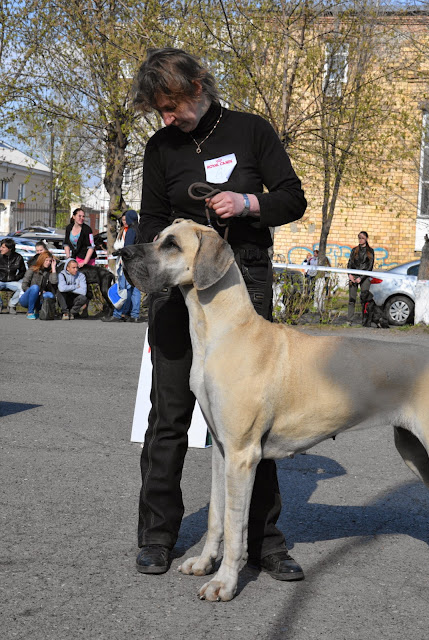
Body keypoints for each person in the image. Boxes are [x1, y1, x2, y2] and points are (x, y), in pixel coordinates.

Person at [130, 47, 307, 578]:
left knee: (255, 420)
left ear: (197, 87)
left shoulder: (252, 131)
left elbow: (292, 199)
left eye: (171, 106)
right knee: (169, 416)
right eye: (159, 110)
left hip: (241, 282)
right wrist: (146, 270)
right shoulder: (160, 147)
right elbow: (151, 220)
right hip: (175, 288)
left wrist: (248, 203)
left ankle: (265, 542)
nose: (167, 119)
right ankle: (157, 536)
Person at [103, 210, 142, 323]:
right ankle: (134, 315)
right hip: (137, 264)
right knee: (136, 290)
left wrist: (118, 253)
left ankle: (118, 314)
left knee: (124, 289)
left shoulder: (130, 231)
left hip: (128, 264)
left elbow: (128, 248)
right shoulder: (139, 230)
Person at [19, 251, 58, 319]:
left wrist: (53, 268)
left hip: (40, 297)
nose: (48, 262)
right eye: (46, 260)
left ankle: (38, 311)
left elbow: (54, 282)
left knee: (50, 295)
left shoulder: (48, 272)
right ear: (41, 260)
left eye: (50, 261)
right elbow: (24, 286)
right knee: (35, 288)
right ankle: (30, 312)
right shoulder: (32, 269)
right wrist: (36, 292)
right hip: (26, 298)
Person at [347, 231, 374, 323]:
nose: (360, 239)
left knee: (364, 300)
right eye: (359, 237)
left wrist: (361, 278)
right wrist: (350, 275)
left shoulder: (370, 251)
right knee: (351, 299)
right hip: (353, 276)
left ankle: (364, 320)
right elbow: (349, 263)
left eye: (362, 237)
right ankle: (349, 320)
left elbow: (370, 267)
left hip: (365, 277)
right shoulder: (354, 250)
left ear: (366, 238)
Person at [0, 238, 27, 314]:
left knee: (22, 287)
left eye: (3, 247)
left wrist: (16, 278)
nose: (0, 249)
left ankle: (12, 305)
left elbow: (23, 271)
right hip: (1, 280)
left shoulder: (18, 257)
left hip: (12, 281)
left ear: (10, 249)